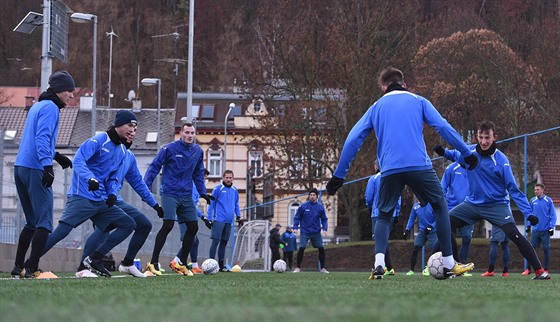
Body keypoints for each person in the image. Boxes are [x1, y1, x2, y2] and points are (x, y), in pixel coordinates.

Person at [326, 67, 477, 279]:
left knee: (384, 215)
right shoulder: (418, 100)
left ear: (383, 88)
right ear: (404, 84)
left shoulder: (376, 107)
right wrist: (466, 152)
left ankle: (379, 264)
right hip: (420, 166)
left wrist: (338, 176)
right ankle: (450, 262)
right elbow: (443, 126)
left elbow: (353, 138)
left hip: (389, 169)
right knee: (440, 206)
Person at [436, 120, 550, 279]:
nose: (483, 141)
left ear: (494, 137)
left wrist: (528, 213)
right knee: (445, 224)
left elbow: (513, 189)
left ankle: (540, 271)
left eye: (487, 137)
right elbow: (455, 154)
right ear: (476, 136)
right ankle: (455, 265)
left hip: (496, 205)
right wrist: (444, 152)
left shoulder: (501, 161)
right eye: (481, 137)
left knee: (513, 233)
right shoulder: (469, 153)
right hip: (472, 204)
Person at [39, 110, 139, 277]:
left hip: (101, 200)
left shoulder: (122, 150)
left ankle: (93, 259)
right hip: (82, 196)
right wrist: (90, 178)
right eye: (130, 125)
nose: (132, 131)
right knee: (62, 231)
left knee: (129, 224)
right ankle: (29, 263)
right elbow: (78, 160)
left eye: (135, 128)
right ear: (118, 124)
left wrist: (112, 193)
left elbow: (112, 177)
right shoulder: (99, 140)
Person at [75, 125, 164, 278]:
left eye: (135, 131)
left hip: (115, 199)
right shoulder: (107, 148)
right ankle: (83, 266)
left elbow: (138, 183)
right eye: (129, 130)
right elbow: (84, 164)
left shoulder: (129, 156)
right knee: (103, 229)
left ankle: (127, 263)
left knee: (144, 224)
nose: (132, 134)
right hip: (101, 197)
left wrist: (154, 204)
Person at [11, 71, 75, 278]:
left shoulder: (38, 105)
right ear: (58, 91)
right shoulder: (51, 107)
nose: (71, 96)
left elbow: (36, 139)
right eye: (69, 91)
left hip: (20, 167)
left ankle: (18, 267)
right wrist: (47, 165)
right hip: (35, 168)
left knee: (31, 222)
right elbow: (42, 137)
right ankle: (32, 269)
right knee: (45, 223)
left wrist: (56, 156)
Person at [144, 123, 211, 276]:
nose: (189, 135)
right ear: (181, 133)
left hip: (186, 195)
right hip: (170, 193)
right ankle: (153, 263)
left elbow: (198, 173)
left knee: (193, 228)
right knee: (168, 225)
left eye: (192, 132)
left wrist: (203, 193)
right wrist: (146, 185)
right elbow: (155, 166)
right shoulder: (169, 149)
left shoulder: (197, 151)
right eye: (186, 132)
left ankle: (180, 262)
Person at [170, 169, 212, 275]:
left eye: (205, 178)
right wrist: (203, 217)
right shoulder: (192, 186)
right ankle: (175, 262)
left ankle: (194, 266)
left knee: (195, 241)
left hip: (188, 215)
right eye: (203, 178)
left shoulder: (196, 187)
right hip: (184, 215)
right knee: (190, 240)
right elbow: (191, 205)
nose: (204, 180)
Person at [364, 165, 401, 277]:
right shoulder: (395, 177)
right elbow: (398, 197)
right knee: (383, 239)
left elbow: (369, 197)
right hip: (392, 213)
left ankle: (379, 266)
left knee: (379, 239)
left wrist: (370, 207)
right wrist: (397, 212)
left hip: (377, 213)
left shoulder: (374, 178)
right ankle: (389, 268)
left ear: (375, 166)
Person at [440, 161, 473, 276]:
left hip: (469, 208)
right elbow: (442, 187)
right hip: (451, 209)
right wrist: (442, 205)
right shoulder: (451, 168)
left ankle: (462, 266)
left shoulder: (474, 167)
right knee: (448, 236)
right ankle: (449, 264)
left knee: (467, 238)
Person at [207, 169, 241, 272]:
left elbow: (236, 204)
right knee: (215, 241)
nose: (228, 179)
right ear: (223, 177)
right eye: (227, 177)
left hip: (229, 221)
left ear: (233, 178)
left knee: (224, 242)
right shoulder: (218, 189)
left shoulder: (235, 190)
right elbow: (211, 204)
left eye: (230, 177)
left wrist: (238, 215)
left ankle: (221, 266)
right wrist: (209, 218)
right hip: (219, 219)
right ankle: (211, 264)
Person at [522, 183, 557, 275]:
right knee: (530, 249)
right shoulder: (533, 201)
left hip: (545, 230)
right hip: (536, 230)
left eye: (537, 190)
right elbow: (531, 215)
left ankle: (545, 269)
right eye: (535, 190)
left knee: (546, 249)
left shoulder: (548, 201)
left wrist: (551, 227)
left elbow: (553, 215)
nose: (536, 191)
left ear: (542, 190)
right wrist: (529, 225)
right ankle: (528, 269)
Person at [292, 188, 329, 273]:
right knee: (301, 248)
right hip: (305, 231)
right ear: (309, 196)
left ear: (316, 196)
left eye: (314, 195)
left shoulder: (320, 207)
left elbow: (324, 219)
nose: (312, 196)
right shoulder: (303, 206)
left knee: (321, 249)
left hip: (316, 232)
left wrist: (325, 229)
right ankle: (298, 268)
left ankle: (322, 268)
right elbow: (297, 217)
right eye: (311, 195)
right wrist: (295, 227)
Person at [404, 202, 438, 276]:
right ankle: (411, 270)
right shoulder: (416, 207)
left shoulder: (431, 205)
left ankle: (429, 268)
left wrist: (431, 226)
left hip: (433, 231)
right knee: (416, 248)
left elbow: (438, 217)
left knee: (434, 249)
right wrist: (407, 229)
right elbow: (412, 218)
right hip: (422, 231)